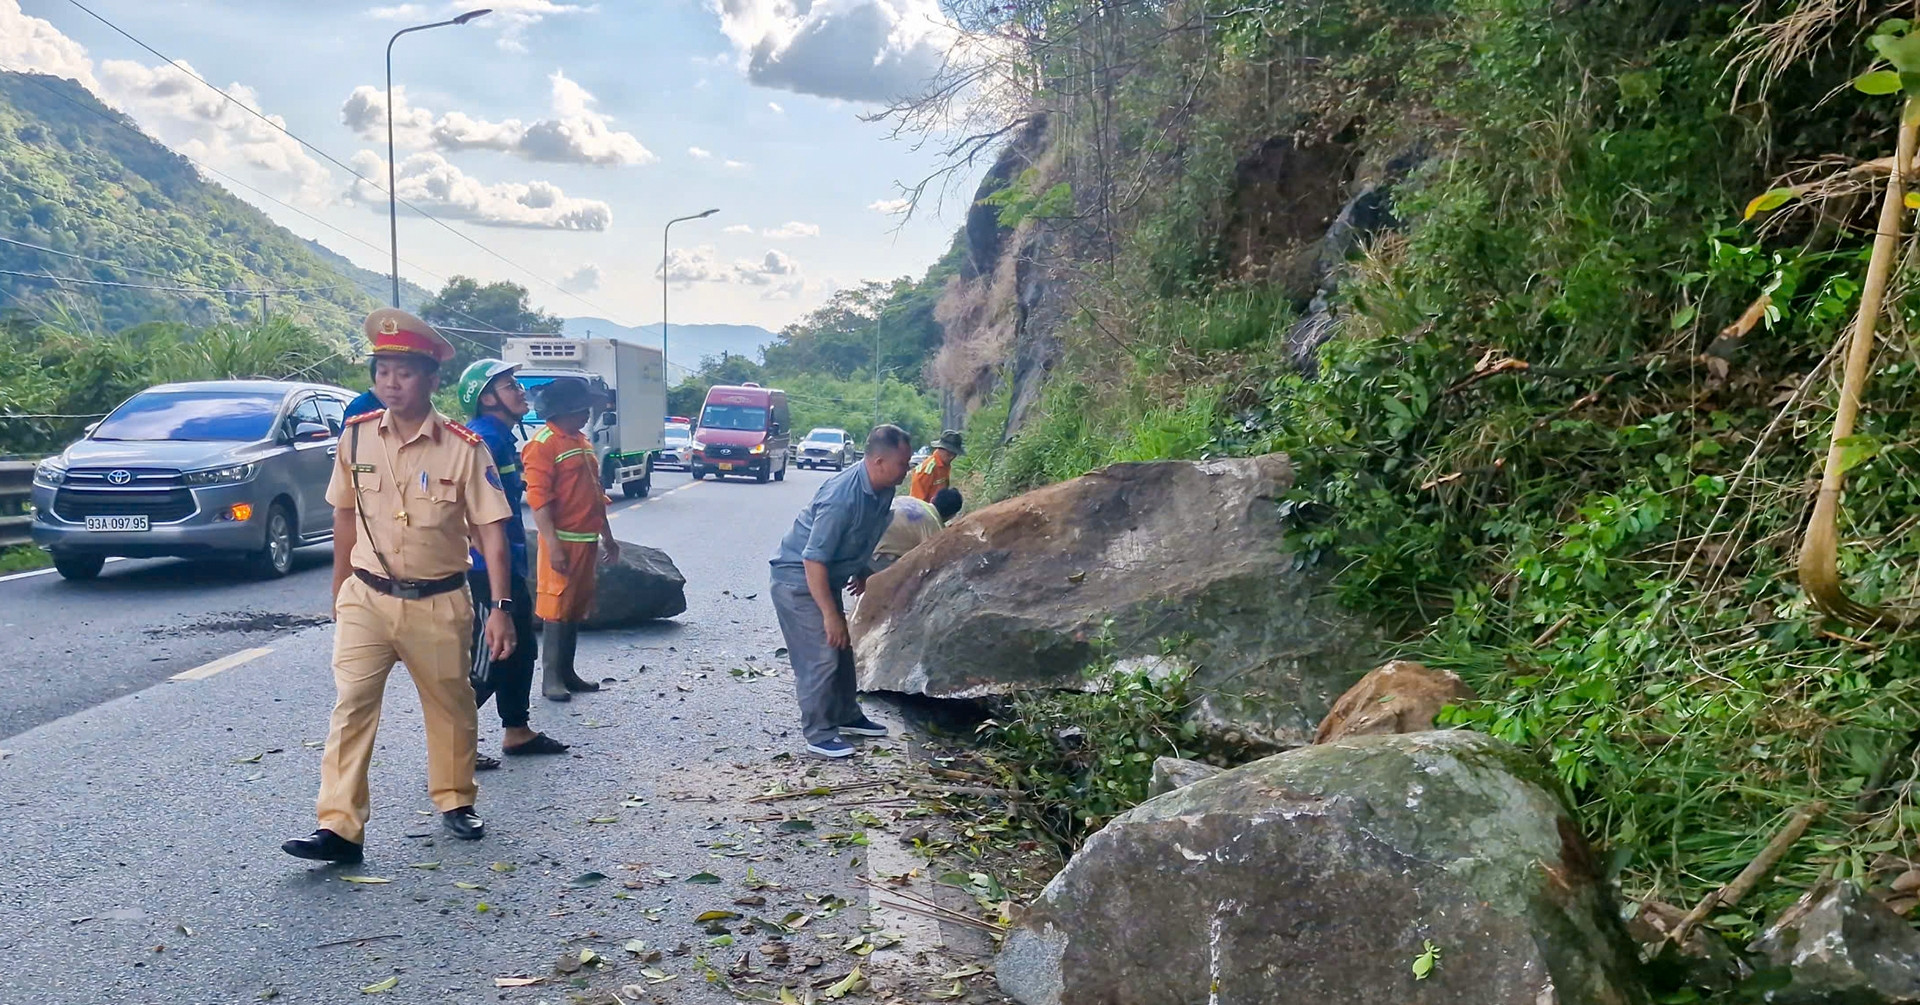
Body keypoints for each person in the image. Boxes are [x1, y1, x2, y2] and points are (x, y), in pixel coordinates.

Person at [283, 308, 516, 865]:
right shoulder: (357, 438)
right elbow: (343, 516)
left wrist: (502, 607)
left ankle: (456, 798)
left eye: (404, 372)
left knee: (451, 703)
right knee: (352, 705)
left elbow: (492, 533)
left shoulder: (463, 448)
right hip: (367, 595)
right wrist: (341, 587)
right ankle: (338, 828)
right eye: (382, 370)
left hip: (438, 598)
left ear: (431, 382)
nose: (390, 382)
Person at [769, 424, 915, 758]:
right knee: (820, 655)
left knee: (842, 651)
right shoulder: (841, 497)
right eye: (903, 464)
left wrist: (861, 569)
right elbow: (812, 560)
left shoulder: (883, 488)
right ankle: (819, 734)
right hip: (798, 581)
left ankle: (847, 715)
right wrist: (830, 615)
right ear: (879, 461)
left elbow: (860, 534)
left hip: (826, 577)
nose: (906, 471)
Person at [455, 358, 570, 764]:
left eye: (517, 384)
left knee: (519, 650)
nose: (520, 391)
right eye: (509, 385)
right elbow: (473, 515)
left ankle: (517, 731)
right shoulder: (480, 439)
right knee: (489, 656)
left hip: (509, 562)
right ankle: (453, 746)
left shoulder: (501, 437)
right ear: (486, 398)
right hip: (487, 569)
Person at [523, 378, 619, 702]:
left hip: (586, 539)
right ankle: (551, 677)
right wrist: (552, 546)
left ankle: (568, 671)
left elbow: (596, 493)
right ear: (564, 411)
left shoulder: (580, 440)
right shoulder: (543, 443)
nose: (586, 415)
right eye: (581, 410)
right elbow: (539, 500)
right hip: (562, 540)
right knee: (556, 607)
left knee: (575, 607)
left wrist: (608, 537)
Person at [870, 487, 962, 574]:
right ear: (952, 516)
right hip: (876, 555)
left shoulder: (908, 499)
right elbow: (933, 563)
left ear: (933, 499)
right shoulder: (935, 530)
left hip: (862, 540)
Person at [909, 430, 963, 503]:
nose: (952, 457)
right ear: (940, 449)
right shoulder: (926, 470)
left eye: (955, 454)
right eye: (949, 454)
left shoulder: (945, 465)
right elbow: (916, 503)